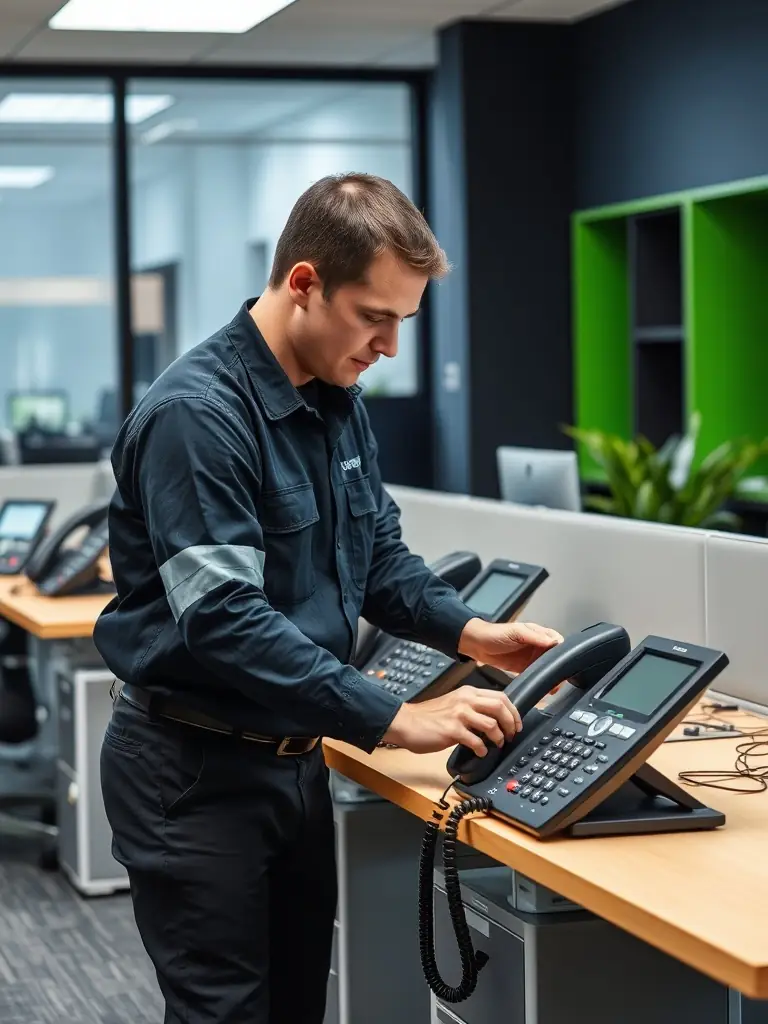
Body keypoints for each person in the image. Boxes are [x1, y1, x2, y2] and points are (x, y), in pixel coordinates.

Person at [95, 171, 563, 1024]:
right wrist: (391, 717)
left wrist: (474, 635)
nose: (388, 347)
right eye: (373, 317)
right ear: (303, 282)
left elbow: (376, 555)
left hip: (291, 758)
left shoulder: (336, 398)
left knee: (296, 1005)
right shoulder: (198, 416)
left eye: (403, 323)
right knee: (226, 1012)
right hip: (193, 768)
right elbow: (223, 621)